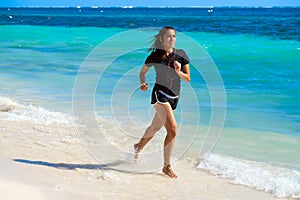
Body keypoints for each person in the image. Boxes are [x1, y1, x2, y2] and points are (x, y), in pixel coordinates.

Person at [134, 26, 191, 178]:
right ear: (161, 39)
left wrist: (178, 71)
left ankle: (138, 146)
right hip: (160, 95)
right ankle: (166, 166)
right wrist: (142, 83)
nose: (172, 39)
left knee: (155, 127)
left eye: (174, 36)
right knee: (172, 129)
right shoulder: (155, 56)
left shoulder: (181, 54)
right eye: (169, 37)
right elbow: (142, 72)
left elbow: (188, 78)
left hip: (174, 97)